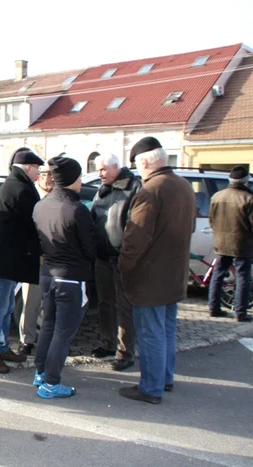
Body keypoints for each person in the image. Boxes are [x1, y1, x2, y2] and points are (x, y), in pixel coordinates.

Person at [118, 137, 196, 404]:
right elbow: (191, 228)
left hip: (150, 277)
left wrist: (124, 268)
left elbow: (135, 238)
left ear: (144, 162)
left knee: (151, 332)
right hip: (174, 273)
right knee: (166, 330)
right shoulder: (184, 185)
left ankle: (151, 387)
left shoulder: (150, 190)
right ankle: (165, 378)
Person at [32, 156, 96, 398]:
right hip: (70, 277)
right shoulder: (77, 210)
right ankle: (51, 382)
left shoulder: (41, 205)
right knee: (63, 332)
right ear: (72, 179)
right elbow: (90, 248)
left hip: (48, 274)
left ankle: (40, 373)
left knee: (48, 325)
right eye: (80, 176)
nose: (81, 180)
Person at [0, 149, 44, 373]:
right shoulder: (18, 188)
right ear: (28, 167)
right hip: (6, 258)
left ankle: (1, 346)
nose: (39, 173)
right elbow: (33, 221)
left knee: (6, 306)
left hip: (10, 257)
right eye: (37, 169)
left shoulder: (16, 184)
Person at [90, 153, 142, 371]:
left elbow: (136, 225)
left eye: (103, 169)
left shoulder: (132, 187)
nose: (100, 174)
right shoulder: (102, 190)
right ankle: (107, 343)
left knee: (124, 306)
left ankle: (125, 352)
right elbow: (94, 217)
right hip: (102, 255)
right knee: (105, 302)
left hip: (121, 257)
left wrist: (127, 254)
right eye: (97, 170)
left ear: (116, 168)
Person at [14, 163, 53, 355]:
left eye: (52, 175)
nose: (48, 178)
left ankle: (50, 340)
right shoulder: (31, 195)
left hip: (55, 259)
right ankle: (26, 340)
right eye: (45, 174)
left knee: (52, 304)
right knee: (30, 302)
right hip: (35, 258)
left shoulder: (58, 198)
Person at [208, 165, 253, 323]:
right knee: (242, 277)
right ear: (246, 181)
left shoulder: (217, 196)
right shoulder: (249, 198)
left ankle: (213, 308)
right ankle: (240, 313)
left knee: (218, 274)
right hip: (242, 244)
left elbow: (212, 220)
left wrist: (218, 234)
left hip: (221, 242)